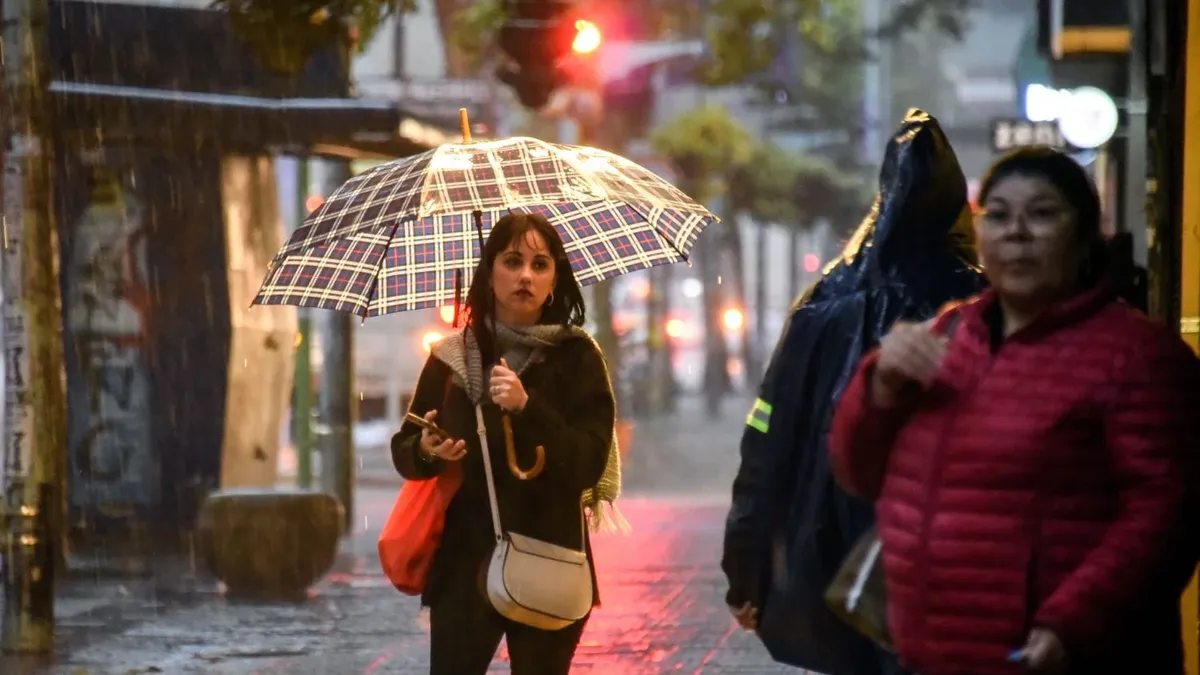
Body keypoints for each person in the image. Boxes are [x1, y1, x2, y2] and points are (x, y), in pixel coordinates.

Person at [830, 146, 1200, 675]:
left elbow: (1166, 515)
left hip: (1060, 655)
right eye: (998, 215)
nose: (1017, 232)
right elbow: (857, 472)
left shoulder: (1138, 356)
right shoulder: (947, 335)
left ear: (1084, 237)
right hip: (934, 655)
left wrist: (1071, 622)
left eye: (1043, 214)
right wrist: (880, 386)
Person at [721, 110, 985, 675]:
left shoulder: (827, 299)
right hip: (952, 558)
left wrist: (745, 564)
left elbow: (768, 435)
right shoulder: (980, 301)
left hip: (832, 546)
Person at [391, 212, 619, 675]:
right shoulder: (452, 356)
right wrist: (426, 451)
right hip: (464, 562)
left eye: (540, 265)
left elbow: (587, 463)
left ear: (556, 278)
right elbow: (405, 447)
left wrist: (526, 407)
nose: (525, 276)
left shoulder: (577, 358)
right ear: (489, 270)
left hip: (549, 556)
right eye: (512, 261)